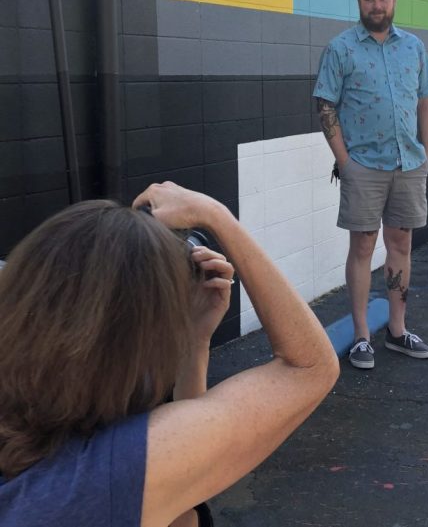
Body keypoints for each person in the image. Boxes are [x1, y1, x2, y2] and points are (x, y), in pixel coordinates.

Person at [0, 182, 339, 526]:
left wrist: (196, 341)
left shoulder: (41, 428)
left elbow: (186, 484)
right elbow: (309, 367)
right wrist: (218, 217)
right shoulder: (107, 476)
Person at [313, 0, 428, 370]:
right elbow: (325, 105)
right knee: (363, 248)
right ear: (359, 3)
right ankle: (362, 336)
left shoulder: (414, 47)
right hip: (363, 167)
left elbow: (426, 100)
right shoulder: (341, 49)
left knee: (400, 246)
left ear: (394, 1)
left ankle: (398, 331)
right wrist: (344, 162)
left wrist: (427, 153)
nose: (377, 6)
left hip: (408, 163)